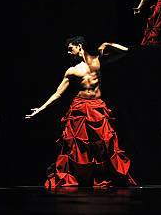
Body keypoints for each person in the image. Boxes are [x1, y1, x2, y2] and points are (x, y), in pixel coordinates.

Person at [25, 36, 136, 187]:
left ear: (79, 47)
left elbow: (125, 51)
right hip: (80, 107)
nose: (69, 52)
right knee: (77, 146)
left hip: (97, 107)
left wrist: (107, 44)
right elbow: (58, 93)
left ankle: (102, 175)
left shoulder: (98, 61)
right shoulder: (72, 71)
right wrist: (40, 109)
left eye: (71, 48)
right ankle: (82, 177)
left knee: (104, 143)